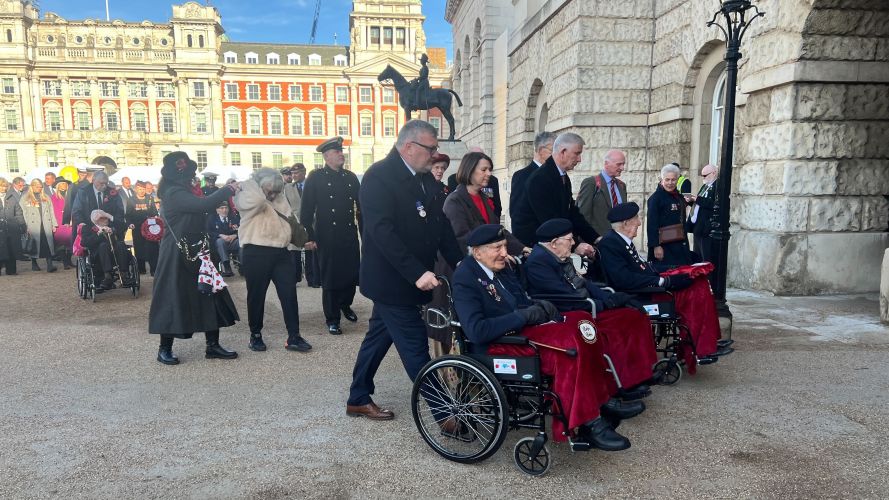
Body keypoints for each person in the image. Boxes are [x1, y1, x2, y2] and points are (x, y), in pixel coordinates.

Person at [452, 224, 640, 450]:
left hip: (523, 330)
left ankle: (601, 399)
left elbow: (520, 300)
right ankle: (587, 423)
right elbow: (476, 331)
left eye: (504, 246)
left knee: (582, 324)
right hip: (499, 345)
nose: (504, 252)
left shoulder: (500, 266)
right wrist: (523, 316)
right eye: (497, 248)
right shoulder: (465, 278)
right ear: (477, 251)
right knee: (570, 348)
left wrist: (536, 307)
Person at [347, 119, 463, 421]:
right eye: (431, 148)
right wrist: (416, 272)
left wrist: (460, 261)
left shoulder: (425, 179)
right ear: (409, 147)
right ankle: (444, 414)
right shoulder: (379, 177)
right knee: (414, 345)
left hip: (413, 278)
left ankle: (358, 396)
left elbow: (441, 227)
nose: (435, 154)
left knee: (378, 336)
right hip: (391, 280)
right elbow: (381, 232)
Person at [524, 218, 658, 395]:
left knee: (634, 315)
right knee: (619, 326)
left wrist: (612, 297)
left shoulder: (556, 255)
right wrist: (603, 304)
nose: (573, 243)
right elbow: (562, 295)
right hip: (570, 310)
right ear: (555, 243)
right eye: (570, 239)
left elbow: (583, 283)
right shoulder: (538, 262)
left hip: (584, 305)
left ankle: (639, 374)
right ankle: (618, 384)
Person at [597, 202, 727, 361]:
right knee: (696, 291)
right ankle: (701, 349)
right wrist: (662, 281)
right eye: (636, 219)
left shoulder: (620, 240)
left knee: (698, 282)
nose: (639, 222)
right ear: (625, 223)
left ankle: (708, 343)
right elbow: (623, 279)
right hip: (640, 294)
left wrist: (675, 268)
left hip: (646, 288)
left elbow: (643, 267)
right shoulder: (611, 243)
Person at [149, 152, 240, 366]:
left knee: (210, 293)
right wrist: (227, 190)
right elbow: (203, 206)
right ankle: (164, 348)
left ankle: (212, 345)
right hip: (176, 252)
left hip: (197, 249)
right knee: (173, 297)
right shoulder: (173, 193)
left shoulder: (182, 191)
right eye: (189, 175)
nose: (193, 178)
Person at [235, 167, 311, 353]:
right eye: (270, 190)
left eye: (277, 191)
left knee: (289, 294)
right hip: (255, 251)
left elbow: (290, 217)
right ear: (260, 186)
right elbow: (254, 202)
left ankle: (294, 335)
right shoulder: (248, 194)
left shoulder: (277, 196)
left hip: (281, 252)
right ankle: (255, 335)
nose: (273, 195)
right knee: (256, 296)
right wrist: (254, 185)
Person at [301, 137, 362, 335]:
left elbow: (361, 208)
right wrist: (309, 236)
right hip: (326, 235)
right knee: (330, 277)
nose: (341, 154)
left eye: (341, 151)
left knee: (351, 274)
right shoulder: (316, 177)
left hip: (348, 234)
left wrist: (366, 233)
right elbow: (307, 210)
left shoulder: (351, 177)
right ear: (327, 156)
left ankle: (345, 305)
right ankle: (332, 318)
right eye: (337, 152)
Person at [521, 132, 598, 257]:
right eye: (577, 153)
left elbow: (573, 213)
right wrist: (576, 245)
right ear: (563, 152)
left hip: (556, 246)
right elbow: (549, 220)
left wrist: (595, 238)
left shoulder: (562, 177)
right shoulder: (540, 178)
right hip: (540, 250)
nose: (579, 159)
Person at [443, 151, 528, 254]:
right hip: (466, 263)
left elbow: (498, 230)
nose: (489, 173)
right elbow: (463, 238)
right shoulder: (454, 201)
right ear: (469, 170)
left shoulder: (484, 198)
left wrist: (522, 248)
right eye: (484, 170)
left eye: (489, 170)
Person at [647, 163, 696, 269]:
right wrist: (656, 246)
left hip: (679, 245)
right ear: (662, 179)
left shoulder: (678, 196)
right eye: (667, 179)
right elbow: (652, 224)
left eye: (673, 180)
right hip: (664, 247)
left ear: (677, 179)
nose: (670, 183)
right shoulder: (655, 198)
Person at [510, 131, 556, 230]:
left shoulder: (557, 175)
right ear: (540, 151)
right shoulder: (522, 176)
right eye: (553, 151)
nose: (557, 156)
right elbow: (517, 215)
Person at [577, 149, 628, 239]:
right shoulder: (591, 183)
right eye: (619, 164)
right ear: (606, 163)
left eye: (623, 164)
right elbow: (583, 214)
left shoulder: (622, 186)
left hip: (619, 240)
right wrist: (586, 240)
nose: (622, 168)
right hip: (598, 241)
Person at [81, 209, 134, 291]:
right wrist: (100, 234)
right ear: (96, 220)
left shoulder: (112, 225)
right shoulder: (87, 227)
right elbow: (84, 242)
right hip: (98, 256)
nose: (106, 220)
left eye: (106, 218)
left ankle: (124, 275)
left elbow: (124, 226)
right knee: (103, 246)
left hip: (115, 253)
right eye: (103, 218)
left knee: (121, 244)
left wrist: (111, 217)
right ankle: (107, 276)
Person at [20, 179, 58, 272]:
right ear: (32, 186)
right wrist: (26, 226)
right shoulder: (25, 198)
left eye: (41, 187)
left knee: (48, 245)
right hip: (33, 226)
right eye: (37, 187)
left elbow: (51, 211)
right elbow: (23, 213)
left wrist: (54, 224)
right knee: (33, 244)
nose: (39, 189)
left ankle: (50, 265)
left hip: (46, 224)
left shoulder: (46, 197)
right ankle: (34, 263)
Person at [126, 181, 160, 275]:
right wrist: (130, 224)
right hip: (137, 228)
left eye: (143, 189)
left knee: (153, 248)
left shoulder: (150, 198)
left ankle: (154, 269)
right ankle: (141, 269)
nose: (142, 191)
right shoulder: (131, 200)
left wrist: (155, 219)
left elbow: (154, 213)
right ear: (136, 189)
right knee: (139, 249)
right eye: (140, 189)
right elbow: (128, 215)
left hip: (149, 228)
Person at [687, 164, 718, 262]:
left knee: (706, 258)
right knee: (698, 257)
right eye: (702, 176)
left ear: (714, 173)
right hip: (698, 227)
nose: (703, 178)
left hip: (706, 228)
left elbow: (715, 205)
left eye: (705, 175)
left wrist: (697, 199)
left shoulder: (717, 186)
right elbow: (699, 204)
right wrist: (691, 200)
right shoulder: (705, 186)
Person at [0, 177, 26, 275]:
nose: (4, 188)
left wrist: (22, 225)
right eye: (2, 186)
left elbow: (18, 212)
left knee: (11, 249)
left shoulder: (12, 198)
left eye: (5, 186)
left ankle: (11, 270)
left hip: (11, 228)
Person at [207, 202, 239, 277]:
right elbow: (208, 231)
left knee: (242, 242)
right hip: (218, 244)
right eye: (222, 208)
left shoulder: (233, 217)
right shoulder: (212, 218)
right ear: (217, 210)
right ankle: (227, 267)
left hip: (233, 241)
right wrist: (220, 235)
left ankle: (243, 266)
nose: (224, 210)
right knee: (220, 241)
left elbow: (241, 229)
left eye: (226, 208)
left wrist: (235, 235)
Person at [49, 178, 73, 270]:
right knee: (61, 244)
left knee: (70, 242)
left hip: (69, 222)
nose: (64, 185)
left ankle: (69, 260)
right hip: (59, 222)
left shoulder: (70, 196)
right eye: (62, 184)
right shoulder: (53, 197)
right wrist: (53, 223)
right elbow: (52, 211)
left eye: (65, 184)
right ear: (58, 186)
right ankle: (65, 263)